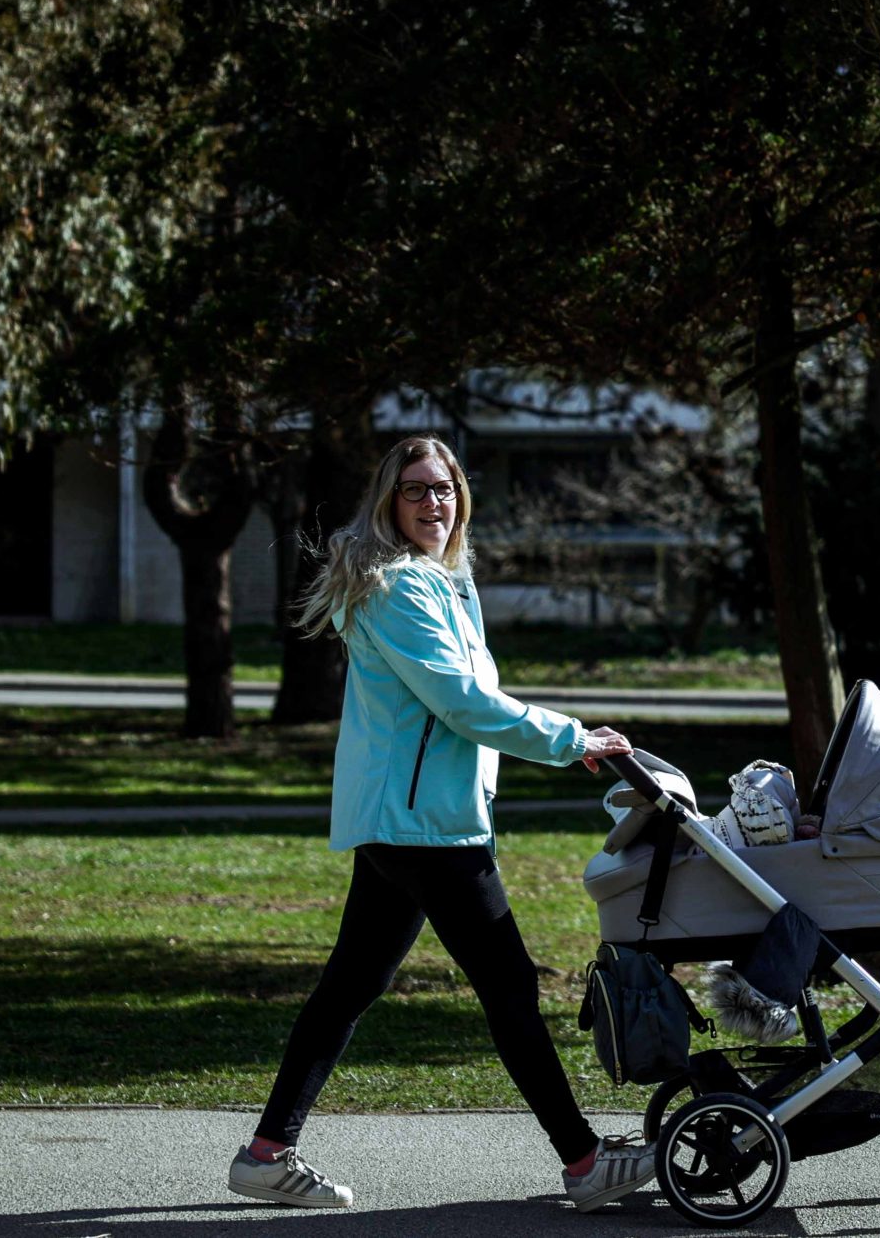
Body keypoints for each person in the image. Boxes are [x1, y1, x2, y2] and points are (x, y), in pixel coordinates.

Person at [226, 434, 653, 1212]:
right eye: (416, 488)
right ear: (389, 501)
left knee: (352, 984)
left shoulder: (440, 580)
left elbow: (461, 705)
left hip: (408, 819)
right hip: (425, 827)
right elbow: (462, 703)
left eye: (445, 487)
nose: (435, 501)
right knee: (509, 986)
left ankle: (266, 1153)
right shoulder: (400, 588)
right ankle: (586, 1161)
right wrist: (572, 738)